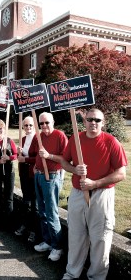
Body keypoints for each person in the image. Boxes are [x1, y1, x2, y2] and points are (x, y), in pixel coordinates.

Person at [61, 108, 127, 280]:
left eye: (97, 120)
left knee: (100, 239)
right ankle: (72, 273)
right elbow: (63, 162)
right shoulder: (76, 138)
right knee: (76, 236)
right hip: (78, 193)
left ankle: (97, 277)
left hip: (101, 194)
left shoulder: (111, 142)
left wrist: (95, 183)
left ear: (103, 123)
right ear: (84, 122)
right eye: (90, 119)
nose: (93, 123)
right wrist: (74, 169)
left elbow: (121, 173)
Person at [30, 112, 68, 261]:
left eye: (47, 122)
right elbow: (37, 154)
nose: (44, 126)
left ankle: (58, 247)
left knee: (51, 212)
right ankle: (48, 241)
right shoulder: (38, 136)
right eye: (41, 123)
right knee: (42, 211)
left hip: (51, 176)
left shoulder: (60, 136)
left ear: (53, 122)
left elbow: (66, 159)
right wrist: (35, 164)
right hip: (39, 175)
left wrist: (49, 156)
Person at [15, 116, 40, 243]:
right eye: (25, 125)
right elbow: (19, 156)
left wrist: (25, 159)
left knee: (34, 204)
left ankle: (34, 230)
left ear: (35, 126)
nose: (28, 127)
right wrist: (19, 152)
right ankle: (24, 225)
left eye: (30, 125)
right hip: (24, 173)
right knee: (26, 201)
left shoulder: (38, 139)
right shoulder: (22, 138)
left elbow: (39, 158)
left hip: (34, 174)